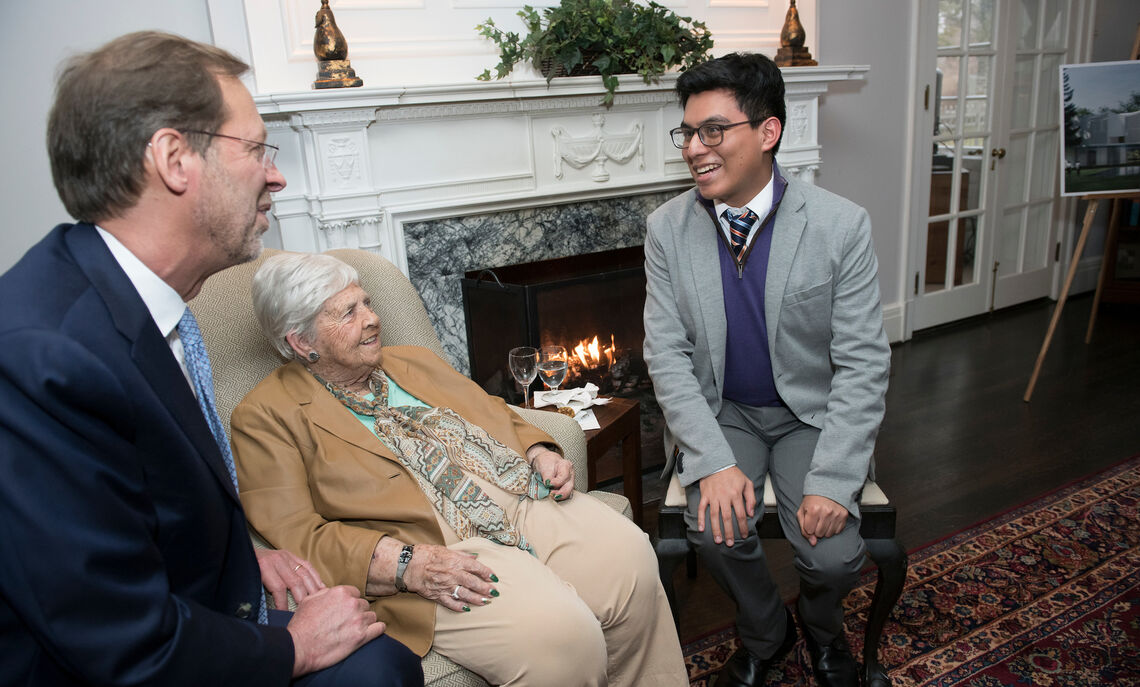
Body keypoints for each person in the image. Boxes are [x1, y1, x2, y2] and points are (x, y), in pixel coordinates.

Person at [0, 31, 421, 686]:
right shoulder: (44, 358)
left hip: (191, 610)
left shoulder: (142, 301)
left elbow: (154, 511)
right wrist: (294, 649)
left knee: (382, 657)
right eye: (255, 148)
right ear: (174, 159)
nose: (276, 174)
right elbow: (122, 641)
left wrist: (251, 559)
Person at [229, 251, 688, 687]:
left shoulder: (412, 362)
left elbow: (493, 411)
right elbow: (297, 535)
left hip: (515, 496)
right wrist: (404, 564)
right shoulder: (266, 416)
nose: (371, 318)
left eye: (366, 302)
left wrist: (537, 452)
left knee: (629, 560)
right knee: (560, 635)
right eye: (348, 313)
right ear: (302, 341)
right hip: (433, 548)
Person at [643, 52, 891, 687]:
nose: (695, 148)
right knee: (714, 528)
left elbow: (863, 362)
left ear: (768, 132)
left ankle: (821, 625)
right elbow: (666, 356)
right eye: (688, 133)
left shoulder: (841, 227)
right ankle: (766, 632)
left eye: (713, 131)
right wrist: (715, 462)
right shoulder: (667, 229)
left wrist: (834, 480)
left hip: (811, 415)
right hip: (724, 413)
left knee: (835, 559)